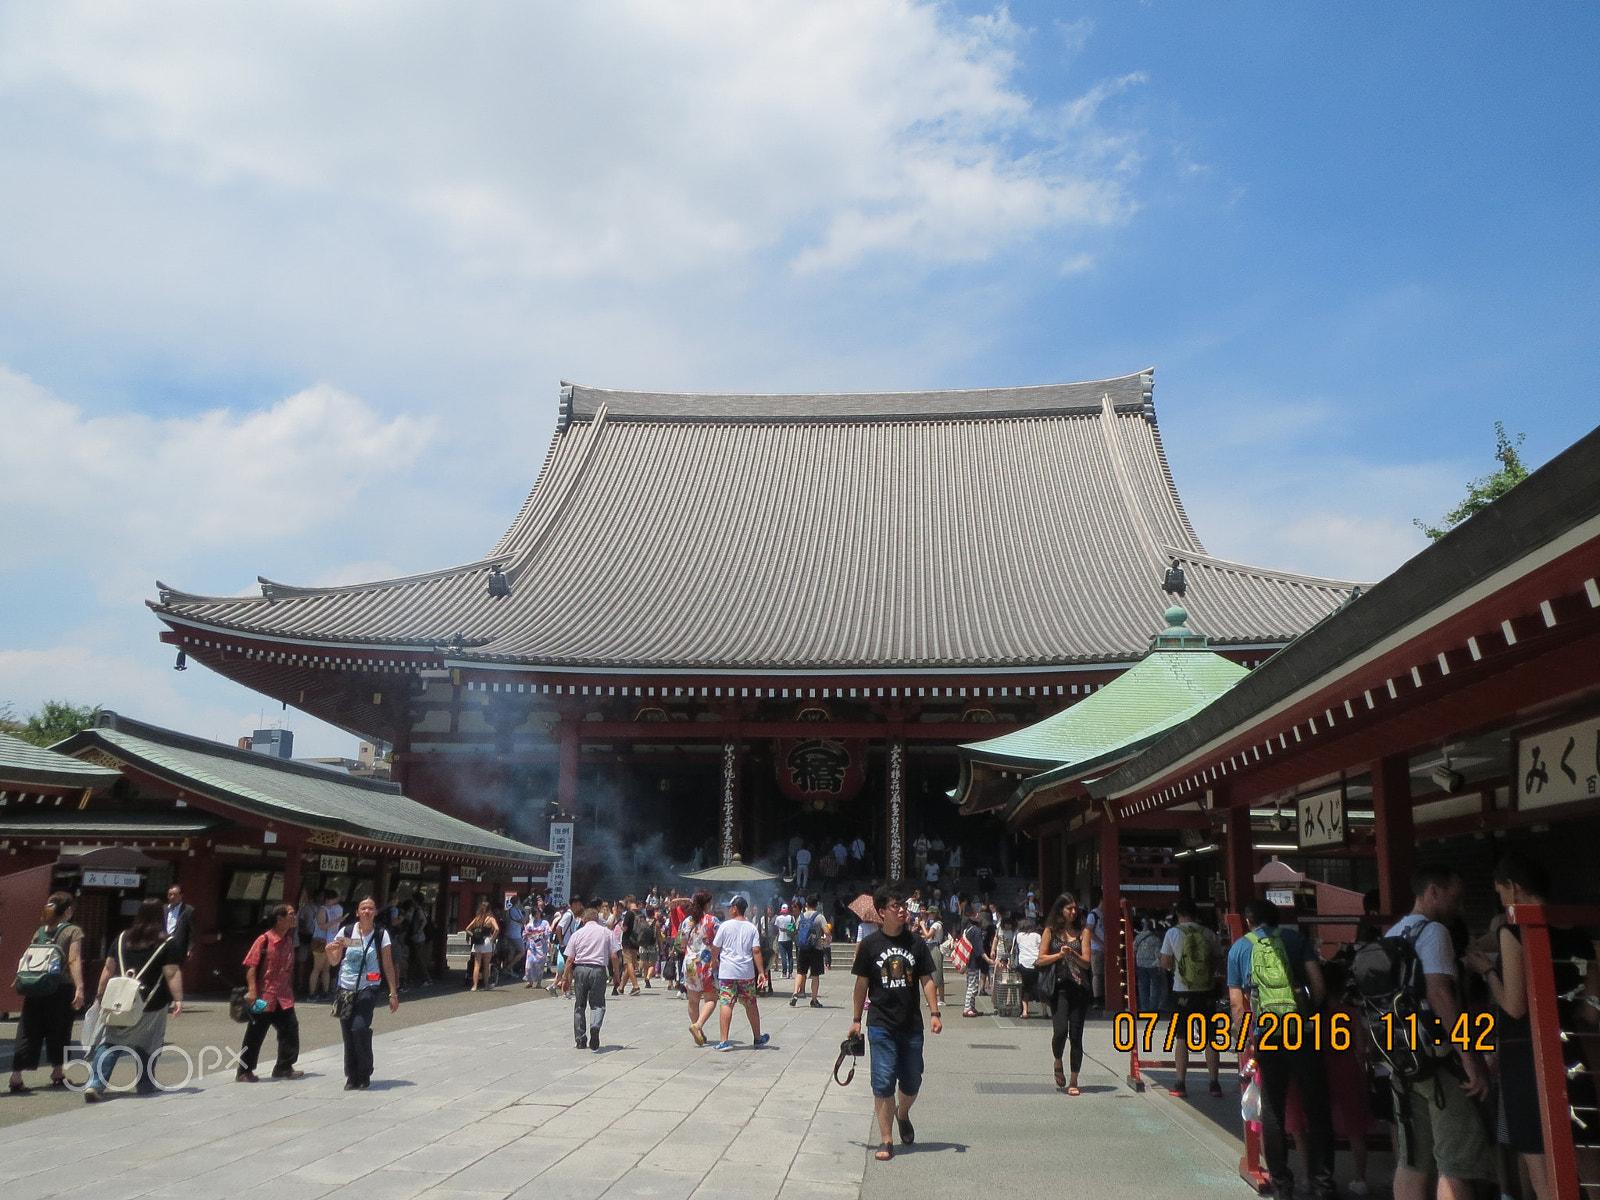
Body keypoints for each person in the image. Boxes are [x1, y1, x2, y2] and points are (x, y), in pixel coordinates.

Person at [1465, 851, 1594, 1200]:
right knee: (1584, 1154)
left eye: (1502, 893)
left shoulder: (1515, 929)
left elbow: (1515, 1005)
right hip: (1572, 1050)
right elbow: (1591, 1010)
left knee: (1541, 1167)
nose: (1503, 902)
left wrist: (1487, 971)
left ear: (1514, 887)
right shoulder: (1580, 934)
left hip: (1527, 1055)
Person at [1227, 898, 1335, 1200]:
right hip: (1301, 1031)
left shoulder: (1239, 948)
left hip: (1267, 1035)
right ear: (1277, 920)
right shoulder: (1295, 938)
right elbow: (1318, 981)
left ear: (1248, 921)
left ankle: (1282, 1185)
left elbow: (1238, 1003)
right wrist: (1309, 1014)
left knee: (1273, 1109)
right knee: (1316, 1108)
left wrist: (1246, 1039)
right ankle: (1322, 1184)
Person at [849, 887, 942, 1162]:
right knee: (883, 1082)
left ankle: (903, 1113)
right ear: (881, 912)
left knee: (912, 1081)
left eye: (903, 905)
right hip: (880, 1023)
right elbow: (861, 984)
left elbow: (926, 978)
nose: (902, 910)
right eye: (895, 906)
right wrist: (856, 1020)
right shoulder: (869, 946)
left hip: (911, 1023)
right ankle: (886, 1139)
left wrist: (935, 1012)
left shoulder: (915, 942)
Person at [82, 897, 183, 1101]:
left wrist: (100, 994)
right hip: (151, 1003)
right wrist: (179, 999)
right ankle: (145, 1084)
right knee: (149, 1043)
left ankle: (96, 1083)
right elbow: (171, 973)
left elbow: (108, 968)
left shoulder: (122, 938)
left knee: (110, 1041)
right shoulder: (166, 942)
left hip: (119, 1001)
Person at [7, 891, 84, 1093]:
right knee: (58, 1029)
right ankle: (57, 1072)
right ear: (67, 910)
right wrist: (80, 987)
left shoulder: (40, 931)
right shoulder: (72, 931)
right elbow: (73, 960)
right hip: (60, 987)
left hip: (36, 986)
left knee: (28, 1030)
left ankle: (16, 1076)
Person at [326, 898, 398, 1089]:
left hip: (369, 986)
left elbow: (388, 964)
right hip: (345, 988)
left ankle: (364, 1072)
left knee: (359, 1028)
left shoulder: (381, 934)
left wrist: (393, 993)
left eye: (371, 908)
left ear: (375, 912)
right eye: (363, 908)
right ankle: (352, 1076)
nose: (367, 911)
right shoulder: (347, 932)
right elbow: (335, 961)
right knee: (348, 1033)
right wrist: (328, 951)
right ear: (357, 912)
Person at [1159, 899, 1224, 1098]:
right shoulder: (1208, 933)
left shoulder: (1173, 933)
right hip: (1206, 991)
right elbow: (1219, 963)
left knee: (1182, 1038)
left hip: (1182, 992)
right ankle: (1214, 1084)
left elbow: (1165, 962)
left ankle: (1180, 1083)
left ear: (1179, 914)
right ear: (1196, 915)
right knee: (1211, 1038)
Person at [237, 902, 303, 1082]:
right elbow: (251, 965)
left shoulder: (289, 941)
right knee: (255, 1033)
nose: (294, 917)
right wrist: (251, 990)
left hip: (283, 996)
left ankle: (284, 1067)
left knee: (290, 1029)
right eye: (290, 914)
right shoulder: (264, 940)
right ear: (279, 918)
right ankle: (244, 1071)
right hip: (263, 997)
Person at [1037, 894, 1092, 1092]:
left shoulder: (1083, 931)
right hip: (1058, 987)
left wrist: (1073, 954)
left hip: (1079, 988)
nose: (1073, 912)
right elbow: (1041, 959)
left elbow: (1087, 962)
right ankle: (1058, 1060)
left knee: (1076, 1035)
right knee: (1060, 1031)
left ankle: (1074, 1080)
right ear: (1060, 910)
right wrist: (1059, 954)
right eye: (1069, 908)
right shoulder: (1051, 931)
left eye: (1075, 908)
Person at [710, 895, 769, 1051]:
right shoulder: (751, 927)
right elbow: (756, 951)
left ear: (735, 908)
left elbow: (715, 947)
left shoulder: (724, 926)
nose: (728, 909)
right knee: (750, 1004)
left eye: (729, 907)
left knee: (726, 1003)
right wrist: (761, 972)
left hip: (727, 972)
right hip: (746, 973)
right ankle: (757, 1037)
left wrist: (714, 960)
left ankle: (724, 1041)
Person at [559, 907, 617, 1051]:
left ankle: (580, 1039)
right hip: (598, 970)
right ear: (597, 919)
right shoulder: (606, 933)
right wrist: (616, 974)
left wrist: (565, 978)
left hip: (580, 969)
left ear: (584, 920)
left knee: (580, 1005)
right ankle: (595, 1026)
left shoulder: (577, 934)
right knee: (598, 1004)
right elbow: (614, 956)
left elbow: (569, 959)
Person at [681, 890, 721, 1044]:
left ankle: (698, 1031)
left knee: (693, 1000)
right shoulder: (713, 921)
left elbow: (683, 944)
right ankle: (698, 1025)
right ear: (707, 904)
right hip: (706, 963)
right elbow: (719, 942)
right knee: (711, 998)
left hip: (690, 963)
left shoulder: (686, 922)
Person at [790, 894, 829, 1008]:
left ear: (806, 904)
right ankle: (814, 999)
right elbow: (827, 931)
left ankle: (795, 993)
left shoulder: (801, 917)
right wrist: (826, 940)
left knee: (800, 972)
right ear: (817, 905)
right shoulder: (819, 917)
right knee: (815, 975)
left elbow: (794, 930)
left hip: (803, 948)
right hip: (816, 949)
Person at [960, 909, 995, 1018]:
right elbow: (979, 948)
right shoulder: (977, 931)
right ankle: (967, 1008)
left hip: (968, 960)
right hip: (973, 962)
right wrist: (988, 960)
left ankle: (971, 1007)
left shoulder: (969, 929)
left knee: (970, 983)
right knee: (973, 986)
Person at [308, 889, 342, 1000]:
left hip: (330, 940)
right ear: (328, 899)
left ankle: (325, 991)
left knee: (326, 968)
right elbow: (322, 926)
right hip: (320, 941)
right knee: (317, 968)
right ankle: (312, 993)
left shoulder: (333, 909)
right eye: (333, 899)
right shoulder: (322, 910)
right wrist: (336, 921)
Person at [465, 900, 500, 991]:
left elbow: (467, 929)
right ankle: (486, 985)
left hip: (477, 941)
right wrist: (492, 938)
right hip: (486, 941)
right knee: (486, 965)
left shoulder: (477, 918)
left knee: (477, 965)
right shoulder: (491, 919)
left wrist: (474, 935)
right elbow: (497, 929)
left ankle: (474, 986)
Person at [1015, 918, 1041, 1019]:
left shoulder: (1019, 936)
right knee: (1039, 987)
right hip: (1036, 963)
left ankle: (1025, 1011)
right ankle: (1044, 1011)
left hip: (1023, 964)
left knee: (1025, 988)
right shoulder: (1037, 936)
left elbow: (1016, 948)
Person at [163, 884, 197, 963]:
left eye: (174, 895)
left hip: (178, 947)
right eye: (169, 895)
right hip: (163, 945)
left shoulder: (188, 910)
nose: (172, 897)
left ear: (181, 895)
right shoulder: (164, 908)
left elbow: (191, 932)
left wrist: (190, 948)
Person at [1084, 891, 1105, 1008]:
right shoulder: (1094, 914)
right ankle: (1097, 998)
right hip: (1096, 948)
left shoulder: (1108, 913)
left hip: (1106, 947)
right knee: (1097, 973)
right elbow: (1089, 932)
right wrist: (1102, 943)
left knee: (1104, 973)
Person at [523, 904, 553, 988]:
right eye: (535, 914)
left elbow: (549, 932)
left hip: (541, 946)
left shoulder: (545, 923)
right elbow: (524, 934)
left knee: (540, 963)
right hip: (532, 945)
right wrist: (527, 934)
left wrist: (544, 934)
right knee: (529, 962)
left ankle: (538, 982)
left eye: (538, 914)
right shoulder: (530, 924)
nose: (536, 915)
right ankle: (530, 980)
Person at [635, 905, 659, 988]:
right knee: (652, 964)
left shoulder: (643, 921)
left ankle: (646, 978)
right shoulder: (656, 922)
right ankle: (648, 978)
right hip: (652, 946)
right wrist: (661, 948)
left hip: (643, 945)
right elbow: (659, 936)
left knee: (645, 964)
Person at [774, 903, 796, 978]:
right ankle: (790, 973)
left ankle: (784, 973)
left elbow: (777, 928)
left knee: (783, 956)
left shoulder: (778, 918)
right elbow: (792, 928)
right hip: (789, 938)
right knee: (790, 956)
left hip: (781, 939)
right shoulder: (791, 917)